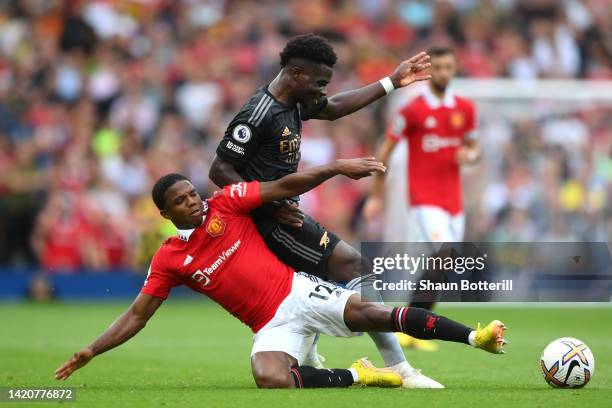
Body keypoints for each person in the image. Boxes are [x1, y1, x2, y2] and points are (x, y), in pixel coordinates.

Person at [55, 158, 507, 389]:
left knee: (374, 313)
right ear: (164, 212)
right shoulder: (170, 258)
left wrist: (335, 169)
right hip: (269, 323)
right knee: (269, 377)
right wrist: (92, 350)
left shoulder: (227, 203)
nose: (193, 201)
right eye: (182, 201)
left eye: (193, 193)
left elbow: (285, 187)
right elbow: (137, 315)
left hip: (296, 292)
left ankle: (475, 336)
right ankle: (362, 376)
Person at [209, 33, 435, 385]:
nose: (322, 91)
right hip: (269, 222)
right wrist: (268, 205)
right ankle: (401, 370)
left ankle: (310, 355)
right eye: (319, 82)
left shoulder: (296, 101)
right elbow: (219, 169)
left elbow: (334, 108)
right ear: (296, 74)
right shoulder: (258, 113)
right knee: (352, 264)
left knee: (313, 281)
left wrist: (392, 81)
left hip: (280, 212)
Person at [362, 47, 480, 350]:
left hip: (454, 201)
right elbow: (385, 150)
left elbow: (474, 149)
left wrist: (470, 155)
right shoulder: (412, 111)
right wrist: (376, 196)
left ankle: (413, 326)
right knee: (445, 252)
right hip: (423, 199)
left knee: (444, 262)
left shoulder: (465, 109)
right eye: (437, 67)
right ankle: (411, 325)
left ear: (454, 70)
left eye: (448, 67)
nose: (442, 73)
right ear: (431, 72)